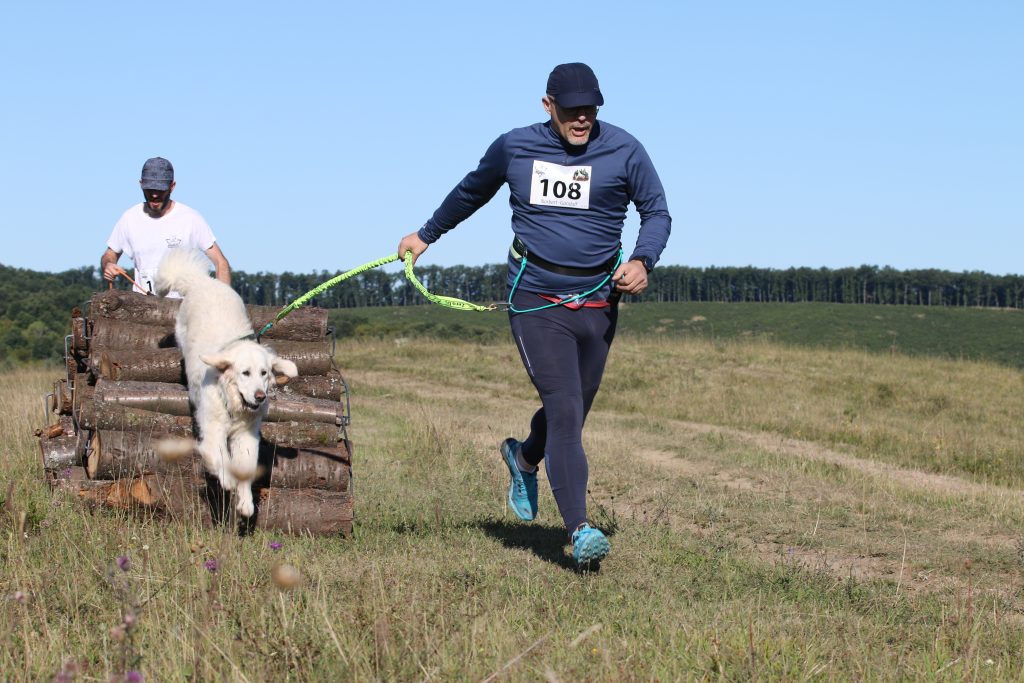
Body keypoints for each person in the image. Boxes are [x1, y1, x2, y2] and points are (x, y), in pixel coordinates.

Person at [397, 62, 671, 567]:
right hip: (536, 297)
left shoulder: (625, 149)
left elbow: (657, 211)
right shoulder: (515, 147)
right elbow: (471, 191)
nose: (582, 118)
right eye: (571, 110)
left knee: (574, 411)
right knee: (565, 411)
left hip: (598, 299)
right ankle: (580, 530)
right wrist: (426, 234)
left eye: (591, 108)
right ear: (548, 106)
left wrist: (641, 258)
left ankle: (523, 458)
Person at [101, 157, 230, 297]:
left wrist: (222, 302)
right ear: (140, 184)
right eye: (150, 189)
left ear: (172, 186)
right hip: (142, 312)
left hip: (183, 311)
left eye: (160, 189)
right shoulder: (129, 218)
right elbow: (110, 254)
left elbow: (220, 262)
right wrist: (108, 265)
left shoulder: (191, 218)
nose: (154, 195)